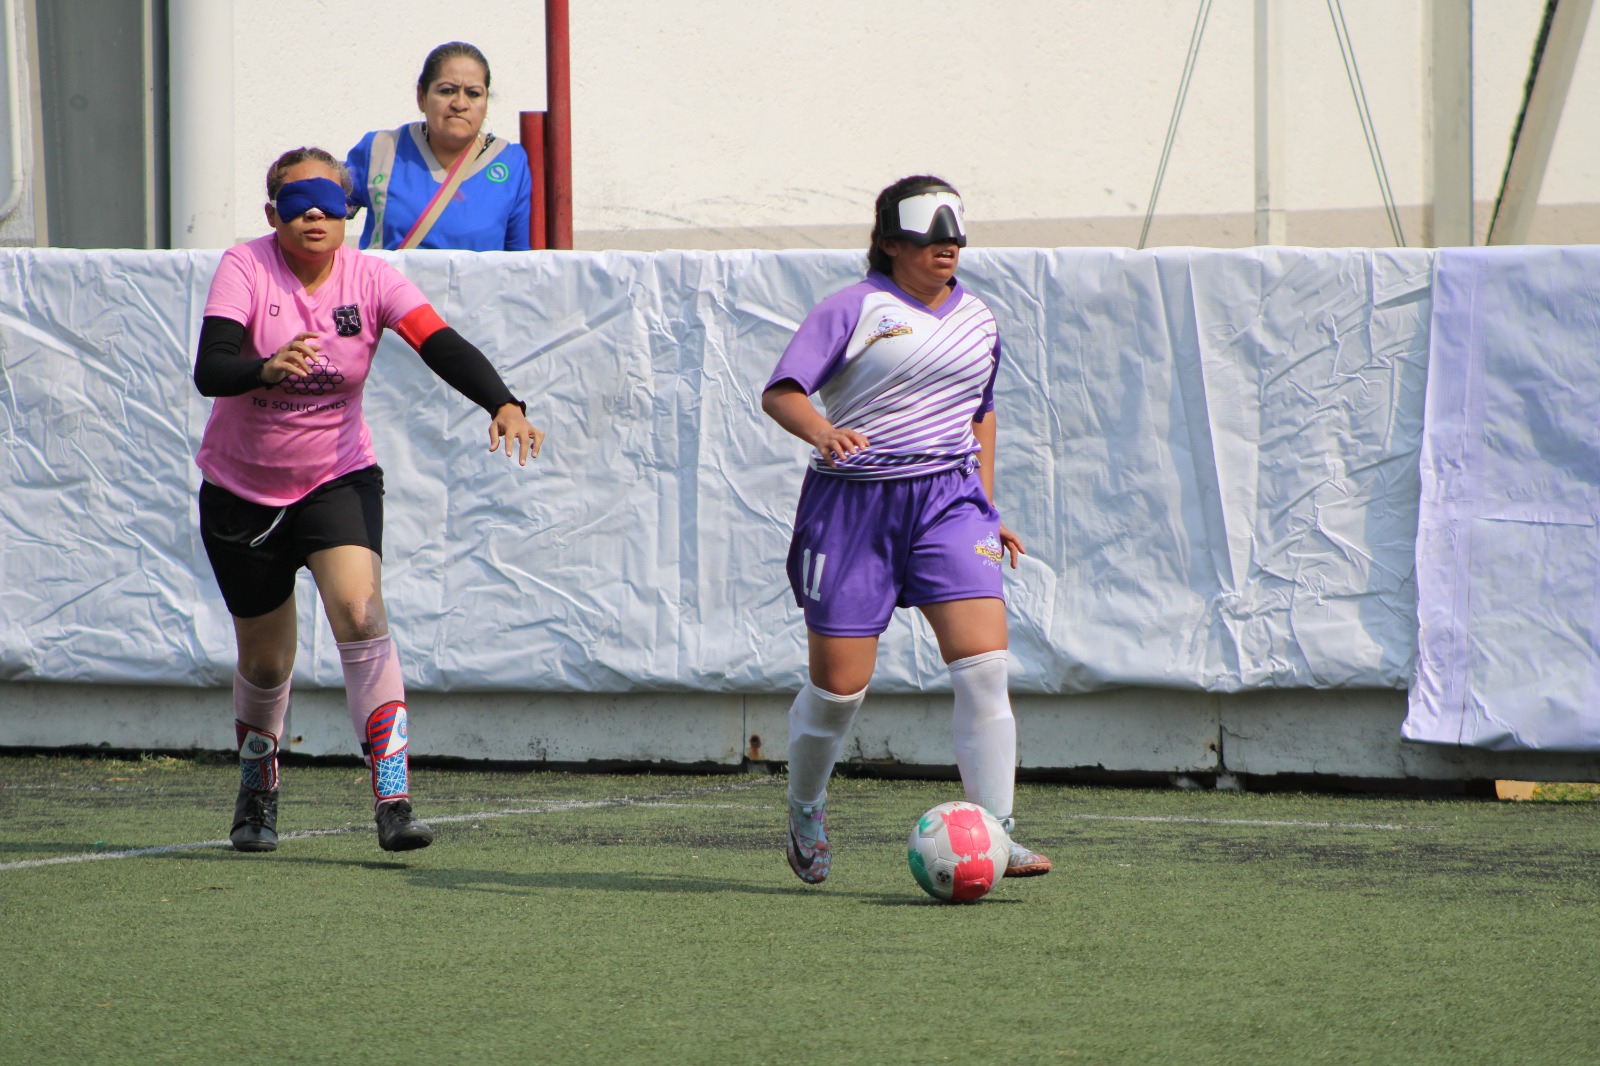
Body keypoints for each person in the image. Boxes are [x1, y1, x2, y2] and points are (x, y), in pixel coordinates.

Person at [193, 147, 543, 853]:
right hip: (240, 491)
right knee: (266, 663)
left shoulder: (371, 278)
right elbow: (212, 369)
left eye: (329, 204)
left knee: (359, 613)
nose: (315, 217)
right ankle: (258, 789)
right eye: (298, 204)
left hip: (337, 478)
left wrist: (503, 402)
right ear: (273, 213)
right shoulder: (245, 266)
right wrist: (266, 367)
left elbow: (439, 342)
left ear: (347, 213)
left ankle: (394, 798)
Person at [761, 175, 1051, 885]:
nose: (947, 248)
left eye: (955, 238)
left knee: (984, 667)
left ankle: (998, 831)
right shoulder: (852, 308)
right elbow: (782, 392)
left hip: (950, 505)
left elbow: (981, 414)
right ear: (890, 243)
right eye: (929, 237)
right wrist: (822, 431)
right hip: (852, 507)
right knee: (839, 689)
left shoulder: (978, 318)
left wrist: (986, 508)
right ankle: (804, 807)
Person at [345, 42, 533, 251]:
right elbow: (323, 209)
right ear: (421, 96)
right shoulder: (381, 149)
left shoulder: (510, 162)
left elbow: (519, 259)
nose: (460, 104)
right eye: (447, 91)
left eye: (473, 93)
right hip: (389, 274)